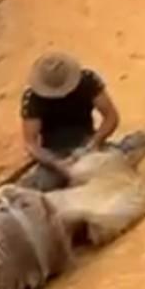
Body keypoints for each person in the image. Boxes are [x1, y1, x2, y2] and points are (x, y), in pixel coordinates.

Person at [19, 52, 120, 191]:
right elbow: (31, 143)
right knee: (36, 189)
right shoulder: (33, 98)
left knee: (117, 168)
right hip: (54, 152)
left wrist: (94, 143)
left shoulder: (88, 81)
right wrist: (56, 164)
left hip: (87, 141)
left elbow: (111, 117)